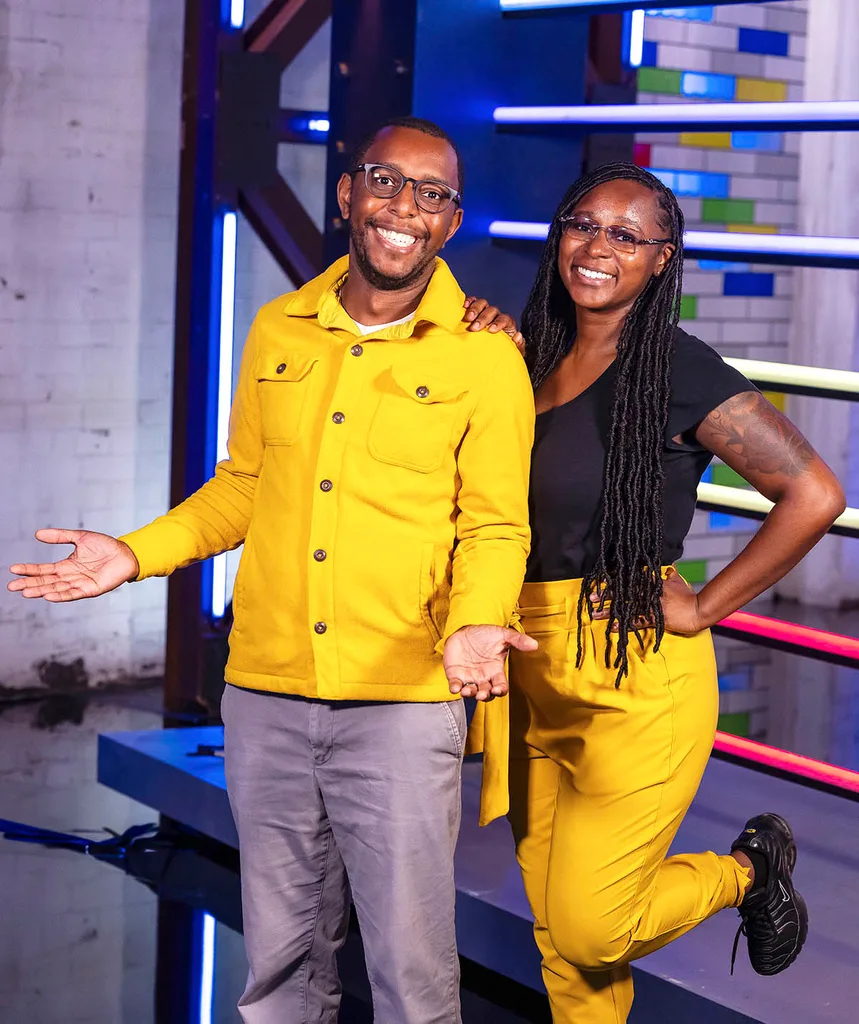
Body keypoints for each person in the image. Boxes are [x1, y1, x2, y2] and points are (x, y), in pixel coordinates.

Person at [7, 117, 537, 1024]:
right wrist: (133, 554)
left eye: (432, 194)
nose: (404, 208)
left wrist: (478, 620)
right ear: (346, 195)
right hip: (266, 695)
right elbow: (242, 489)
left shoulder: (486, 357)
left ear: (451, 221)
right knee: (282, 972)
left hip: (402, 704)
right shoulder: (277, 330)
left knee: (412, 979)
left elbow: (494, 525)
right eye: (384, 181)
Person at [466, 162, 846, 1023]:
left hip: (631, 675)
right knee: (561, 946)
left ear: (661, 260)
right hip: (527, 668)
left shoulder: (678, 367)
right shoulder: (527, 347)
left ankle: (745, 871)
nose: (597, 247)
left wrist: (707, 605)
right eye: (582, 224)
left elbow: (814, 493)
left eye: (625, 236)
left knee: (594, 930)